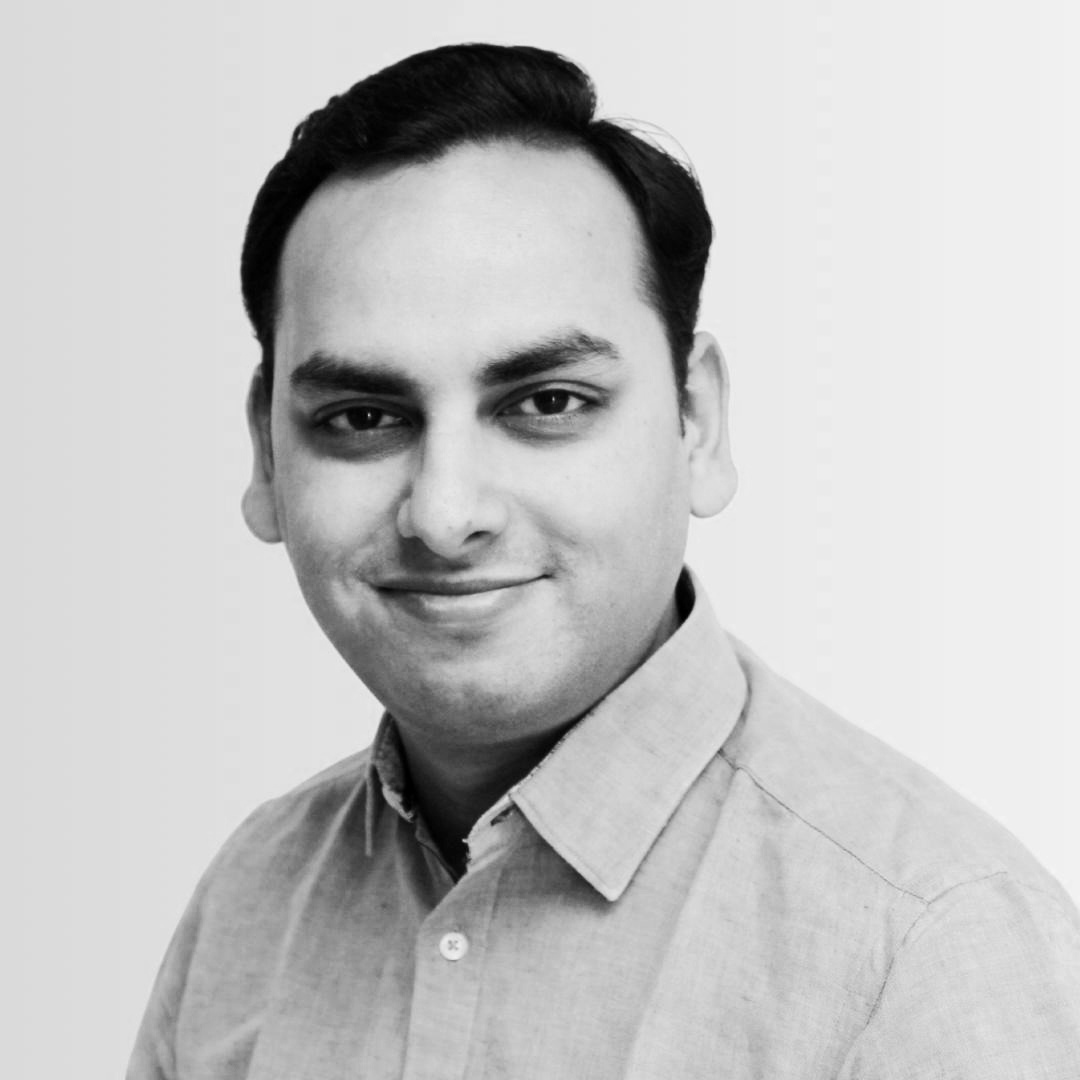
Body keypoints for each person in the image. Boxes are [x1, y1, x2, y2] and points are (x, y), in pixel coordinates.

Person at [129, 43, 1080, 1078]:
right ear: (268, 456)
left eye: (547, 402)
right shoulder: (248, 902)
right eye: (363, 417)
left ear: (696, 422)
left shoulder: (930, 954)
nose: (444, 514)